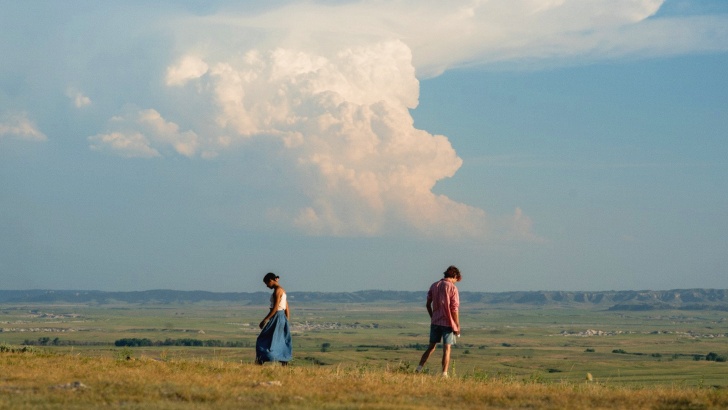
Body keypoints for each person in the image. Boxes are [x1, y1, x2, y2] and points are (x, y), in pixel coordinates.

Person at [415, 265, 461, 377]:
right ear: (454, 276)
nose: (456, 282)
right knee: (447, 348)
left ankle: (419, 368)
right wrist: (457, 325)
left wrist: (433, 317)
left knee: (431, 347)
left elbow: (427, 304)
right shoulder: (452, 288)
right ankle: (444, 374)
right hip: (448, 322)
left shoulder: (434, 285)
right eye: (456, 280)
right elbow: (454, 309)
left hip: (435, 321)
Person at [255, 272, 292, 365]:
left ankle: (262, 359)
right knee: (280, 339)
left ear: (271, 280)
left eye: (267, 283)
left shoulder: (277, 291)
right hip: (281, 316)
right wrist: (286, 319)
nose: (267, 286)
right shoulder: (282, 290)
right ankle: (283, 359)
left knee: (262, 338)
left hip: (277, 316)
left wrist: (265, 319)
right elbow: (286, 306)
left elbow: (275, 308)